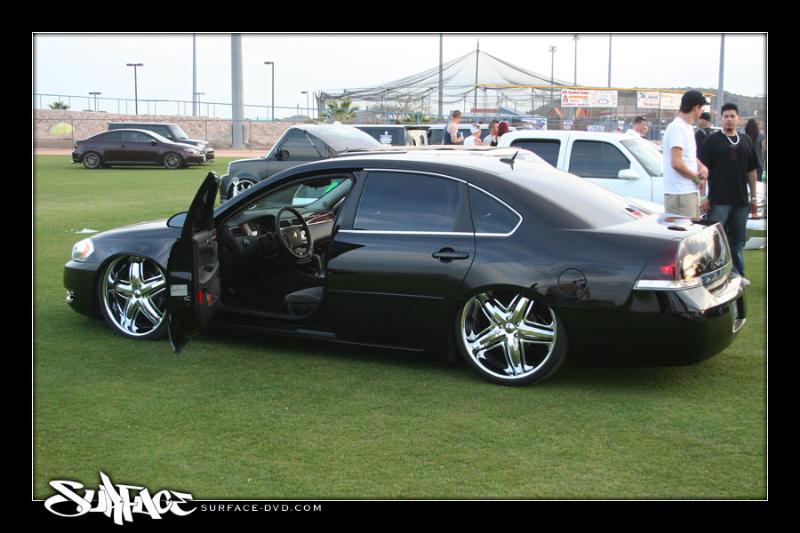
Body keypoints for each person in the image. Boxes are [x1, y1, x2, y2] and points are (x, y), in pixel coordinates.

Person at [698, 103, 759, 287]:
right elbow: (702, 171)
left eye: (733, 116)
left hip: (741, 200)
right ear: (721, 119)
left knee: (738, 241)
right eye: (726, 116)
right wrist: (703, 197)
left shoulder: (746, 141)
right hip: (718, 201)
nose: (729, 119)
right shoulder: (711, 141)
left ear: (738, 119)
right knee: (715, 241)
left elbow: (751, 171)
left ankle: (737, 274)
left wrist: (753, 197)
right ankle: (713, 276)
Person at [661, 90, 710, 218]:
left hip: (687, 192)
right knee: (684, 230)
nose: (701, 111)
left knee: (693, 228)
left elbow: (688, 156)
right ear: (696, 107)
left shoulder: (687, 127)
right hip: (680, 194)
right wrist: (696, 178)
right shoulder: (677, 127)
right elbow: (676, 163)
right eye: (701, 108)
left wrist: (701, 166)